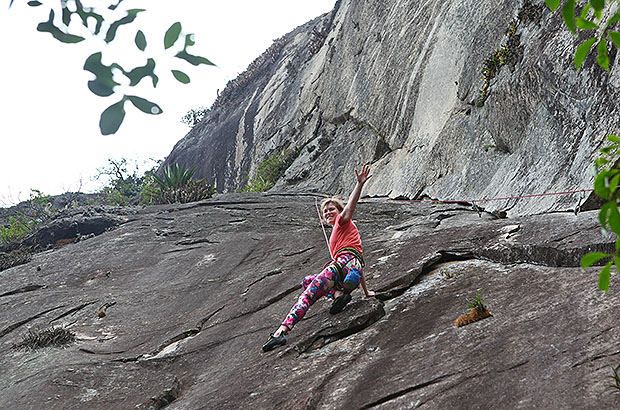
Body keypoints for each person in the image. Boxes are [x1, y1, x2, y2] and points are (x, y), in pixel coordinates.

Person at [262, 165, 375, 352]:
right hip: (349, 271)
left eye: (332, 209)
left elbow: (349, 208)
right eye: (325, 211)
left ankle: (280, 332)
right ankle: (339, 294)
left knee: (308, 296)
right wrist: (366, 291)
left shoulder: (342, 222)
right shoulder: (342, 234)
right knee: (307, 281)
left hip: (341, 268)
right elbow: (358, 260)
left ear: (339, 211)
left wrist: (359, 185)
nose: (329, 212)